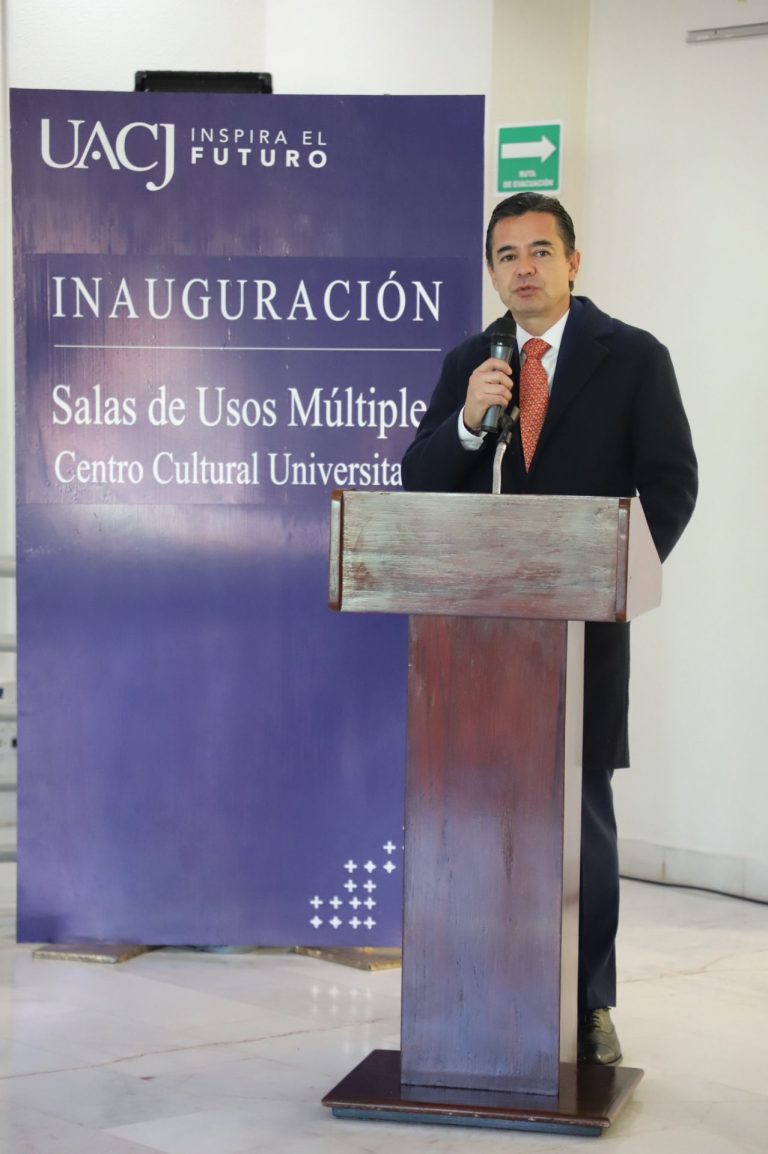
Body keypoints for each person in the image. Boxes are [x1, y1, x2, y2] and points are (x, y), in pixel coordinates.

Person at [401, 192, 698, 1065]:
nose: (523, 268)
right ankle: (485, 989)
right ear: (492, 272)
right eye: (506, 255)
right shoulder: (472, 361)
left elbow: (671, 482)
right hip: (481, 641)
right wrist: (467, 421)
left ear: (574, 261)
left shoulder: (633, 357)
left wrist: (614, 577)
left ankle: (590, 1004)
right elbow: (421, 483)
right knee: (483, 819)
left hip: (583, 630)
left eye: (539, 251)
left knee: (582, 821)